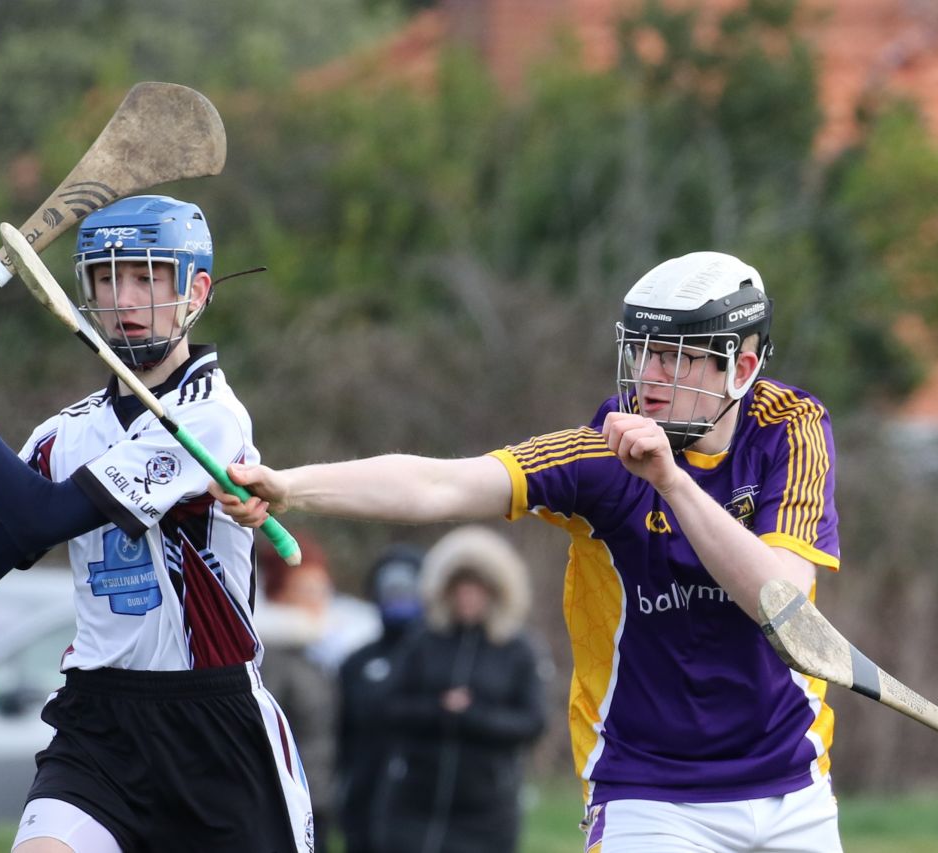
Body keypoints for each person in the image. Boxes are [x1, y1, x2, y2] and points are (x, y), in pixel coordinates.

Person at [212, 251, 846, 852]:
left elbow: (779, 598)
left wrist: (671, 482)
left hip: (793, 782)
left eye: (673, 359)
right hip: (651, 793)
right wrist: (291, 486)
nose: (648, 377)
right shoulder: (601, 458)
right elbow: (442, 483)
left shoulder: (791, 433)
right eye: (641, 352)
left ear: (740, 366)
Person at [0, 195, 312, 853]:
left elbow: (45, 515)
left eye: (148, 277)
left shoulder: (210, 418)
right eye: (106, 278)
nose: (124, 297)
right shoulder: (64, 435)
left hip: (216, 733)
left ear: (195, 291)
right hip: (99, 727)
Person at [372, 525, 546, 853]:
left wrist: (474, 715)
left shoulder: (518, 649)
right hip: (415, 799)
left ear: (496, 592)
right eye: (460, 587)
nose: (467, 597)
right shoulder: (422, 641)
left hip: (487, 808)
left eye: (476, 588)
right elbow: (388, 706)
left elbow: (532, 721)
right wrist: (439, 709)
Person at [335, 542, 425, 853]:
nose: (398, 596)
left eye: (407, 587)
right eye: (390, 588)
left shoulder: (441, 659)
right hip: (364, 798)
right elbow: (343, 734)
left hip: (423, 800)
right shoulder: (356, 663)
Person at [255, 532, 339, 853]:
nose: (317, 598)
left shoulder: (316, 652)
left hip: (317, 801)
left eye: (321, 588)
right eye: (306, 588)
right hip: (284, 806)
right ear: (279, 592)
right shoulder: (270, 656)